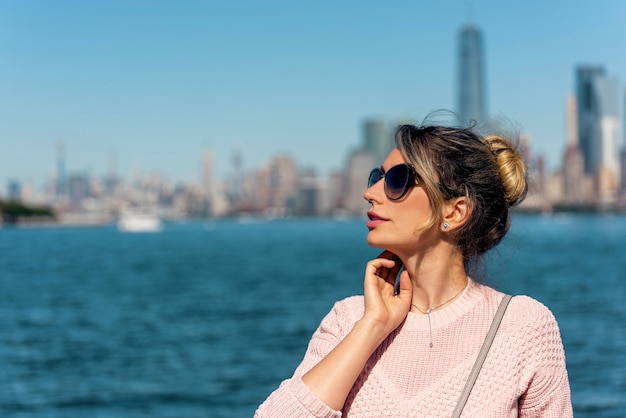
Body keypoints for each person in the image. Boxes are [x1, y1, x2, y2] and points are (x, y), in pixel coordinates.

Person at [255, 121, 573, 417]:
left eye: (397, 180)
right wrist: (373, 327)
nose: (370, 193)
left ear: (455, 210)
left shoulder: (523, 327)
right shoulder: (348, 320)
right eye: (375, 178)